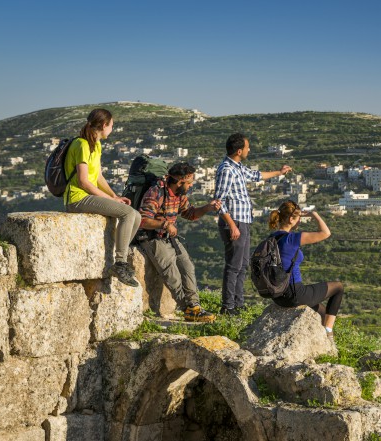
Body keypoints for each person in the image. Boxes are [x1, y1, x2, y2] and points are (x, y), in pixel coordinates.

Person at [214, 133, 292, 315]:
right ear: (239, 150)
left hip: (243, 222)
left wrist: (279, 172)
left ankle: (238, 304)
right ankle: (228, 306)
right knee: (233, 266)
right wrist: (232, 225)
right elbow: (218, 201)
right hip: (235, 222)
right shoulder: (227, 169)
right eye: (248, 147)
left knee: (242, 265)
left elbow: (257, 175)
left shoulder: (238, 168)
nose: (250, 150)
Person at [64, 108, 141, 287]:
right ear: (104, 125)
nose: (112, 130)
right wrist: (112, 200)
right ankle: (120, 263)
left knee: (136, 216)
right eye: (112, 126)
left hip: (86, 195)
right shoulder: (82, 145)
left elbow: (98, 178)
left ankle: (116, 254)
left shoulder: (96, 145)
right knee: (127, 214)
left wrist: (114, 196)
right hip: (77, 198)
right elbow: (84, 182)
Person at [137, 162, 221, 322]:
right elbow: (143, 220)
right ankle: (187, 308)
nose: (191, 185)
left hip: (169, 236)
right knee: (172, 273)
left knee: (187, 266)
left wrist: (207, 208)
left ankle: (195, 306)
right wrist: (165, 224)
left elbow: (189, 213)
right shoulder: (156, 192)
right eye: (189, 182)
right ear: (180, 181)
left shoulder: (180, 195)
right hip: (152, 237)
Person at [268, 200, 344, 337]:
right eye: (298, 219)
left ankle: (321, 336)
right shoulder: (291, 238)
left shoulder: (272, 238)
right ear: (291, 219)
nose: (299, 222)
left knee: (322, 312)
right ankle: (328, 332)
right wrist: (314, 215)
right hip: (295, 294)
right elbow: (325, 233)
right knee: (338, 287)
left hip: (278, 295)